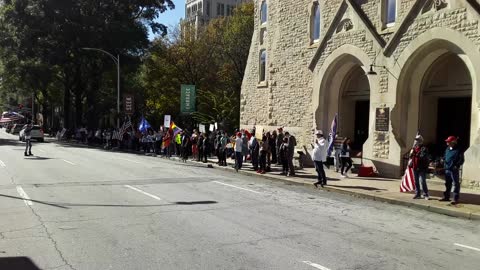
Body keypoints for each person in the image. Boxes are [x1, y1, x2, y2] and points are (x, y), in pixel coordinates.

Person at [440, 136, 464, 205]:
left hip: (454, 170)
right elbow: (445, 156)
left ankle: (455, 199)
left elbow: (461, 159)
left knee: (456, 184)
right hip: (447, 169)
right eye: (447, 141)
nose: (447, 142)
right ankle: (446, 197)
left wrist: (456, 166)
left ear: (453, 142)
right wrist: (443, 160)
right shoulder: (447, 149)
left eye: (448, 141)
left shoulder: (458, 150)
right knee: (447, 184)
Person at [409, 135, 430, 200]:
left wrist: (415, 153)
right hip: (415, 166)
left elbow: (422, 157)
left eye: (418, 140)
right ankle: (417, 194)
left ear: (421, 141)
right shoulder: (414, 148)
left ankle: (425, 194)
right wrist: (411, 153)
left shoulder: (424, 148)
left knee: (422, 181)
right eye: (416, 140)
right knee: (416, 181)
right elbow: (411, 156)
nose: (416, 141)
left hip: (421, 167)